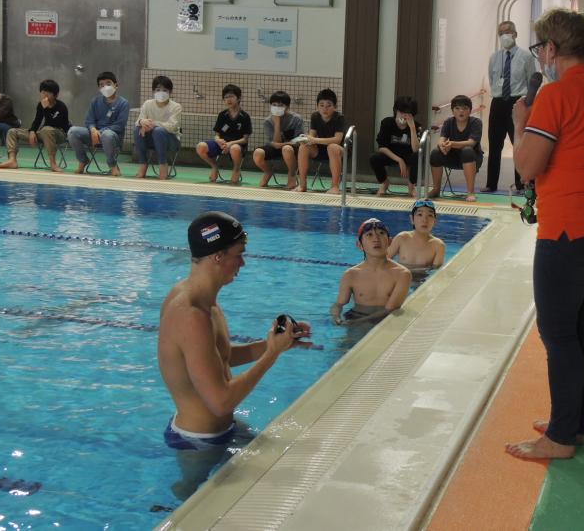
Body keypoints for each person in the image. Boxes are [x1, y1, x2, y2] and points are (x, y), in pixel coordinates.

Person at [506, 8, 584, 461]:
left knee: (558, 332)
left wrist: (521, 123)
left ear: (552, 49)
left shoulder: (555, 96)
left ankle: (559, 438)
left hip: (570, 228)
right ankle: (574, 424)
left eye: (540, 48)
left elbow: (526, 166)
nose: (540, 56)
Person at [158, 211, 311, 499]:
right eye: (239, 254)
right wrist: (271, 357)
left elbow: (220, 358)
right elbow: (221, 400)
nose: (242, 262)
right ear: (217, 256)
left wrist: (274, 344)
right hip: (198, 443)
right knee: (189, 503)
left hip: (221, 429)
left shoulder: (204, 302)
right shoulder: (191, 314)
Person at [483, 20, 537, 193]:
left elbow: (531, 83)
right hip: (498, 102)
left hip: (517, 102)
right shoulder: (494, 57)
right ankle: (491, 184)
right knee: (494, 144)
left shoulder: (526, 57)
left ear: (515, 34)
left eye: (507, 31)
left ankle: (521, 184)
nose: (504, 35)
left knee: (518, 144)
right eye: (501, 32)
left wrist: (527, 106)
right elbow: (492, 80)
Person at [330, 218, 411, 326]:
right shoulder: (350, 275)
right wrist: (336, 318)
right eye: (369, 235)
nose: (376, 239)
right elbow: (338, 304)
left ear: (390, 241)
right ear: (359, 245)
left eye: (381, 233)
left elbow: (391, 310)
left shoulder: (402, 274)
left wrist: (356, 323)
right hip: (355, 317)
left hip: (385, 323)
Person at [0, 79, 70, 172]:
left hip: (59, 133)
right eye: (43, 92)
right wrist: (32, 131)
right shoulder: (41, 105)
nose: (45, 95)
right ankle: (12, 160)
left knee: (47, 130)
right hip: (43, 132)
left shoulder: (61, 106)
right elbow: (37, 121)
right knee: (12, 131)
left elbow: (54, 123)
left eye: (48, 93)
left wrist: (46, 108)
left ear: (55, 95)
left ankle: (53, 163)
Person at [67, 71, 129, 176]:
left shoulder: (123, 103)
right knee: (73, 132)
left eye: (108, 83)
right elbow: (89, 121)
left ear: (116, 85)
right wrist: (92, 129)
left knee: (107, 134)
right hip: (94, 135)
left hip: (112, 137)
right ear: (99, 88)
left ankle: (113, 165)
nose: (105, 87)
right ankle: (83, 160)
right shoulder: (95, 101)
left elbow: (119, 125)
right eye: (101, 85)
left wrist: (100, 131)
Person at [428, 95, 483, 202]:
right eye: (457, 108)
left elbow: (471, 143)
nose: (461, 111)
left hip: (472, 158)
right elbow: (441, 140)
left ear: (470, 111)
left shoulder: (476, 122)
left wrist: (452, 144)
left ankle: (471, 192)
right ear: (452, 111)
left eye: (465, 108)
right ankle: (436, 189)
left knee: (467, 150)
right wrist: (443, 146)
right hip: (453, 158)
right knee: (435, 153)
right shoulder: (449, 122)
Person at [195, 85, 252, 185]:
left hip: (237, 146)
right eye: (226, 97)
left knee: (234, 148)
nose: (228, 99)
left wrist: (230, 144)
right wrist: (218, 140)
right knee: (201, 146)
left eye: (231, 96)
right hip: (221, 144)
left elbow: (245, 139)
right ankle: (214, 166)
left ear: (238, 98)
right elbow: (217, 135)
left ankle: (236, 169)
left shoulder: (245, 117)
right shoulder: (222, 115)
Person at [296, 88, 345, 194]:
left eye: (328, 105)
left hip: (338, 151)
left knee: (332, 147)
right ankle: (302, 184)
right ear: (317, 106)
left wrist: (314, 139)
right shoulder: (315, 116)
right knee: (303, 147)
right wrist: (305, 139)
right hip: (321, 149)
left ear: (335, 107)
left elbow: (337, 139)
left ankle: (335, 186)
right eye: (321, 105)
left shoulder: (339, 117)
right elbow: (312, 136)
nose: (325, 109)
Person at [370, 96, 421, 197]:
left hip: (408, 155)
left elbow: (415, 150)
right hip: (391, 154)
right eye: (401, 112)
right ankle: (384, 183)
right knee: (374, 158)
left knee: (417, 157)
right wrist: (399, 160)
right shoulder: (387, 123)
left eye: (408, 114)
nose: (404, 116)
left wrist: (412, 128)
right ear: (396, 111)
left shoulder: (416, 126)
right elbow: (382, 147)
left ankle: (411, 186)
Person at [252, 90, 304, 188]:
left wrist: (283, 144)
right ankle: (268, 172)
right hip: (275, 147)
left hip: (293, 149)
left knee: (286, 149)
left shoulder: (297, 119)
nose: (276, 108)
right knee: (257, 153)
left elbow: (299, 141)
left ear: (287, 107)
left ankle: (292, 174)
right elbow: (275, 143)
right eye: (274, 105)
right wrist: (277, 123)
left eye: (280, 105)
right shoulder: (268, 121)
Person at [133, 75, 182, 179]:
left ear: (170, 92)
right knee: (137, 129)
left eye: (165, 90)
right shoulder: (147, 104)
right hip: (152, 140)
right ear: (153, 91)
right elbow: (138, 121)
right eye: (158, 89)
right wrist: (143, 122)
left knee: (158, 131)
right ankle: (143, 164)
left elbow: (172, 127)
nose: (161, 92)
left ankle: (163, 164)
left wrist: (154, 124)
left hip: (171, 141)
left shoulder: (176, 107)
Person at [387, 198, 446, 276]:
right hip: (400, 278)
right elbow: (383, 261)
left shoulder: (438, 245)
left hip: (421, 282)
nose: (424, 220)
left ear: (435, 221)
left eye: (430, 215)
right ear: (412, 219)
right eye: (420, 215)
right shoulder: (401, 238)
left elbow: (436, 274)